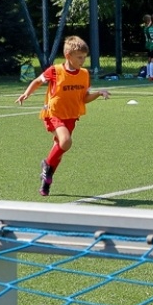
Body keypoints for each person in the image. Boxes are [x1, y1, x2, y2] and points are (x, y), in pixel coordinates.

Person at [17, 35, 110, 196]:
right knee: (65, 141)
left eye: (84, 57)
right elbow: (38, 82)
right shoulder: (55, 71)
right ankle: (47, 167)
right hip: (53, 114)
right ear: (68, 56)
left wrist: (98, 93)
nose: (82, 61)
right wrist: (27, 93)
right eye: (79, 57)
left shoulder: (84, 74)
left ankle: (46, 178)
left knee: (59, 149)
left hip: (71, 116)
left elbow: (84, 98)